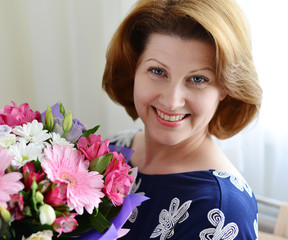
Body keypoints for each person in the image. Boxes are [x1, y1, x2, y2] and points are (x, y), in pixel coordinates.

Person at [102, 0, 262, 239]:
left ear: (224, 88)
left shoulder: (221, 211)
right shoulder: (111, 149)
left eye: (198, 79)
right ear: (133, 69)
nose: (171, 101)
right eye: (157, 71)